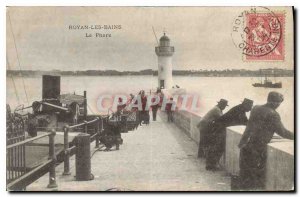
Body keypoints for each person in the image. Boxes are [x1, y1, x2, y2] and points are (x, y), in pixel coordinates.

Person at [238, 92, 294, 190]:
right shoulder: (273, 114)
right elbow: (283, 132)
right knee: (255, 179)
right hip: (259, 148)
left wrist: (242, 141)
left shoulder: (255, 108)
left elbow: (249, 126)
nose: (279, 105)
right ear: (275, 103)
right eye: (279, 103)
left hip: (248, 144)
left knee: (245, 177)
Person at [206, 98, 253, 171]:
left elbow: (244, 121)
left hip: (219, 127)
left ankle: (211, 165)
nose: (250, 109)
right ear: (246, 105)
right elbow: (244, 122)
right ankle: (211, 165)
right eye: (250, 107)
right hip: (219, 128)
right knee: (218, 147)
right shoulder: (240, 110)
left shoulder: (240, 109)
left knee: (218, 147)